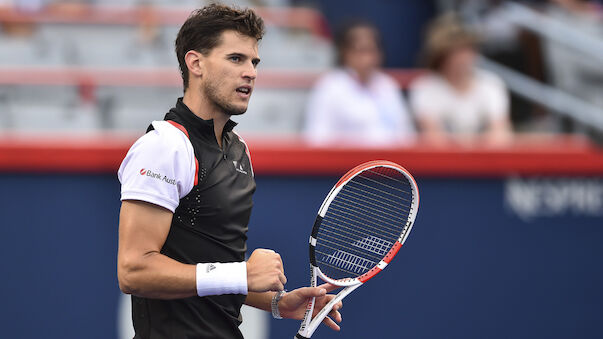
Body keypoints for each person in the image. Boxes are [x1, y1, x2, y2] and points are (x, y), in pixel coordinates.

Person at [116, 4, 342, 338]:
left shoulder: (239, 152)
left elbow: (211, 266)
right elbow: (133, 270)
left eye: (254, 62)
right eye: (236, 59)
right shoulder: (164, 146)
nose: (250, 71)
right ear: (196, 64)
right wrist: (241, 275)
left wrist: (277, 303)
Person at [303, 19, 416, 147]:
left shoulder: (387, 84)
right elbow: (317, 138)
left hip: (389, 163)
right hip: (345, 164)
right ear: (344, 52)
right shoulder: (329, 86)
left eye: (372, 50)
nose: (368, 58)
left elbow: (406, 135)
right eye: (361, 50)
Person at [409, 14, 512, 146]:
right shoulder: (423, 88)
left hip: (487, 164)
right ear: (440, 56)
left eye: (467, 49)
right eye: (455, 51)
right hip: (441, 165)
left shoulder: (491, 84)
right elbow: (434, 139)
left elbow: (501, 135)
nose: (463, 58)